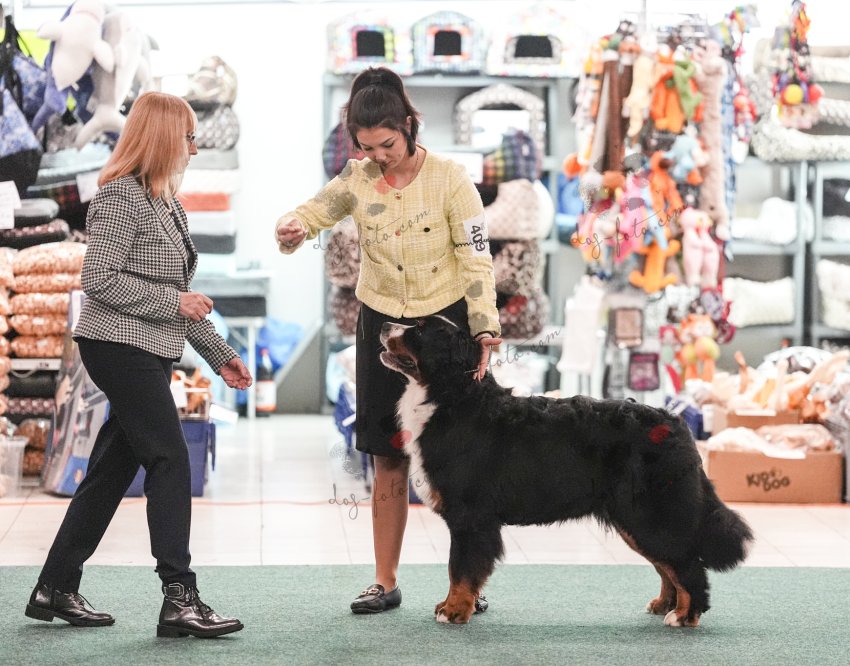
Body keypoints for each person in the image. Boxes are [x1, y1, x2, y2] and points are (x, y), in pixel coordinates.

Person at [25, 92, 253, 637]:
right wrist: (175, 302)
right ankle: (179, 598)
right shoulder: (119, 196)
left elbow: (179, 298)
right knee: (170, 458)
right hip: (117, 347)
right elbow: (99, 280)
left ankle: (55, 586)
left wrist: (221, 356)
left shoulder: (165, 201)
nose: (194, 149)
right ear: (163, 139)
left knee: (111, 470)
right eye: (189, 137)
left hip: (146, 348)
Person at [275, 67, 502, 614]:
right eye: (366, 147)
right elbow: (313, 212)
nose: (378, 156)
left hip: (446, 330)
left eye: (387, 145)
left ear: (409, 126)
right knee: (387, 455)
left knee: (465, 459)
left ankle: (468, 584)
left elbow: (476, 256)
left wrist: (485, 326)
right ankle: (384, 580)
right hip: (384, 329)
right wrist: (293, 226)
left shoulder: (451, 179)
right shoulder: (356, 179)